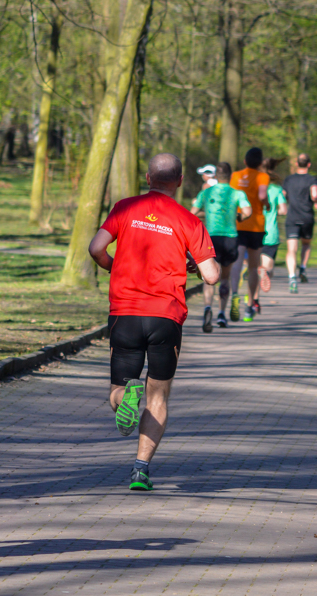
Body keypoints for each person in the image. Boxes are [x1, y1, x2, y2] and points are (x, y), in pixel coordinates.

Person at [88, 153, 220, 492]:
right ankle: (141, 469)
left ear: (148, 178)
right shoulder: (189, 221)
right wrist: (193, 261)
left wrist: (111, 265)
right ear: (178, 183)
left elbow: (95, 248)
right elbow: (211, 276)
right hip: (166, 316)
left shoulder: (125, 208)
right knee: (158, 397)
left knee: (120, 388)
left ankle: (125, 397)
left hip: (126, 312)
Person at [190, 161, 252, 331]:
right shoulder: (237, 193)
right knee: (224, 278)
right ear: (231, 176)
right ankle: (222, 315)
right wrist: (239, 217)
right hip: (231, 238)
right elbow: (248, 212)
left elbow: (192, 213)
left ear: (216, 175)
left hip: (210, 239)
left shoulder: (206, 192)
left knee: (208, 278)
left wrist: (205, 214)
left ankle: (207, 308)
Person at [229, 147, 270, 321]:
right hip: (256, 226)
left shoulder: (235, 176)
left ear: (245, 161)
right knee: (253, 266)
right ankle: (250, 304)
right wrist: (267, 204)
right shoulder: (263, 176)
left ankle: (234, 296)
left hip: (237, 223)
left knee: (237, 264)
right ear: (260, 163)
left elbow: (231, 196)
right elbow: (262, 196)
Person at [283, 152, 317, 294]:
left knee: (291, 249)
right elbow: (315, 194)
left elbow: (282, 195)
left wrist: (283, 206)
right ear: (309, 164)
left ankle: (292, 276)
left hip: (292, 217)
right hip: (307, 217)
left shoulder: (289, 179)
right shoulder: (312, 179)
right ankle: (303, 268)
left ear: (297, 164)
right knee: (306, 243)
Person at [259, 159, 288, 294]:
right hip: (271, 233)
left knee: (254, 264)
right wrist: (275, 210)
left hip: (254, 230)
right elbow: (284, 210)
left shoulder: (254, 187)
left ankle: (253, 299)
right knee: (268, 267)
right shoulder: (277, 189)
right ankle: (265, 272)